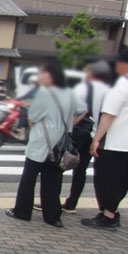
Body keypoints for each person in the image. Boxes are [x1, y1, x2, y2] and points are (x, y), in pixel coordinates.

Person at [6, 59, 86, 227]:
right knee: (53, 181)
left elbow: (32, 117)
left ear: (50, 75)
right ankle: (53, 217)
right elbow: (83, 110)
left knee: (29, 178)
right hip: (61, 144)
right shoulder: (69, 93)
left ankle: (22, 211)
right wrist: (69, 124)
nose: (39, 76)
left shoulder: (44, 93)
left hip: (41, 142)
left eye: (42, 73)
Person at [81, 49, 128, 231]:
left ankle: (108, 216)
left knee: (105, 180)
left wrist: (96, 139)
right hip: (124, 145)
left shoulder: (121, 85)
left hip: (113, 143)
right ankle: (110, 212)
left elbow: (108, 115)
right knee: (121, 181)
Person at [62, 60, 111, 214]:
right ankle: (73, 202)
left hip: (80, 133)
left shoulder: (83, 88)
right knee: (83, 170)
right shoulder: (111, 89)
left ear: (90, 73)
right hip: (101, 135)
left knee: (60, 163)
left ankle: (51, 200)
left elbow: (71, 109)